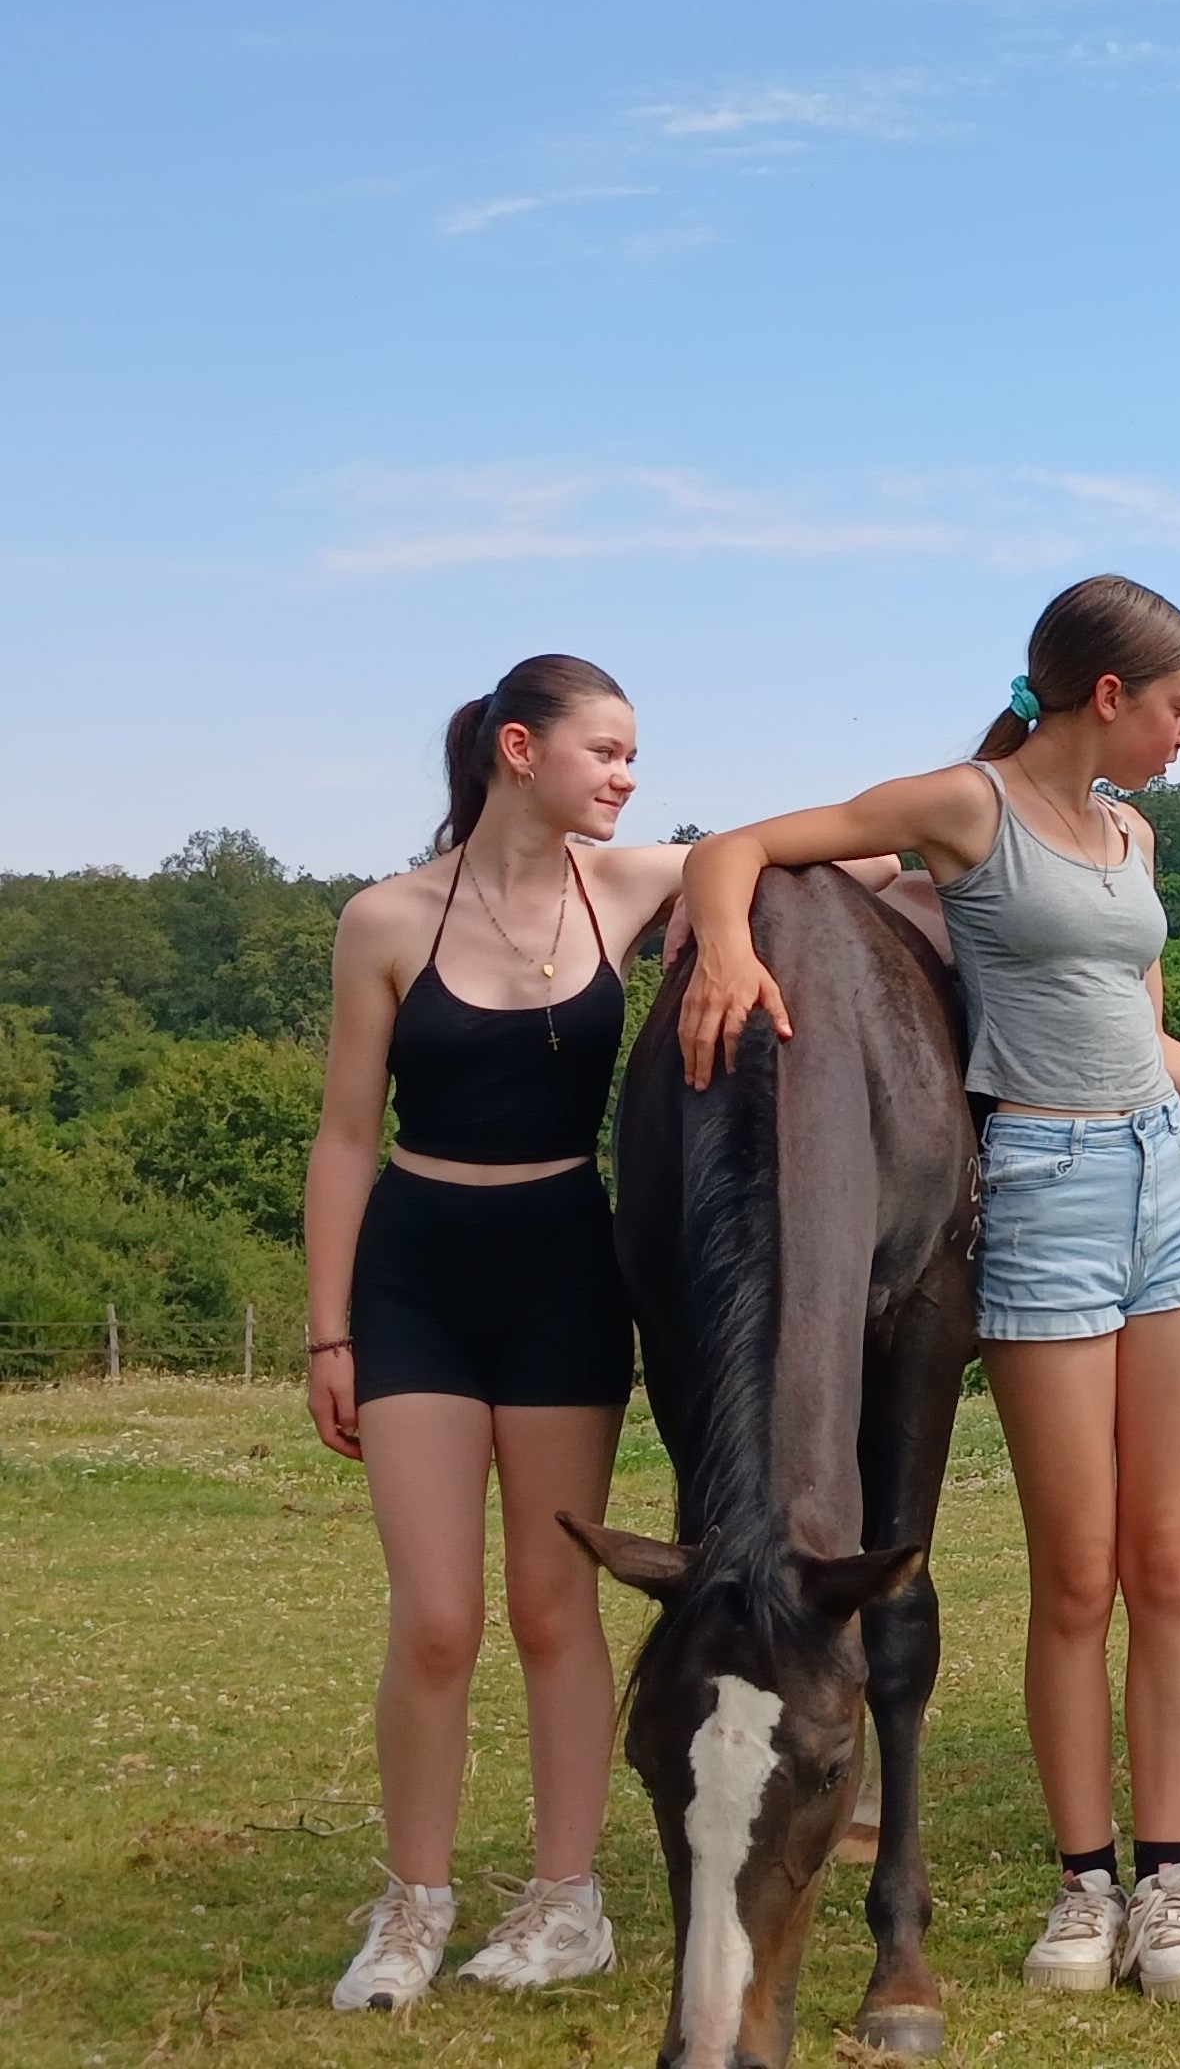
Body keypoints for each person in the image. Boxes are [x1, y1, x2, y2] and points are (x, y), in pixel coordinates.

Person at [675, 575, 1180, 2007]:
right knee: (1076, 1579)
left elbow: (1140, 1040)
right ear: (1106, 699)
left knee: (1172, 1565)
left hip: (1168, 1190)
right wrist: (720, 943)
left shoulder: (1131, 833)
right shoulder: (966, 809)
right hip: (1043, 1195)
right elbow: (745, 847)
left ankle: (1167, 1880)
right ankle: (1082, 1887)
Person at [305, 658, 684, 2009]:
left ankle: (566, 1903)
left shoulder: (628, 886)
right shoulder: (384, 920)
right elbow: (348, 1136)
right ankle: (411, 1908)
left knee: (549, 1604)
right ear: (519, 750)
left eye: (635, 754)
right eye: (609, 749)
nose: (629, 774)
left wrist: (1002, 772)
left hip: (565, 1274)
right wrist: (328, 1332)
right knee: (439, 1620)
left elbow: (804, 858)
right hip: (416, 1278)